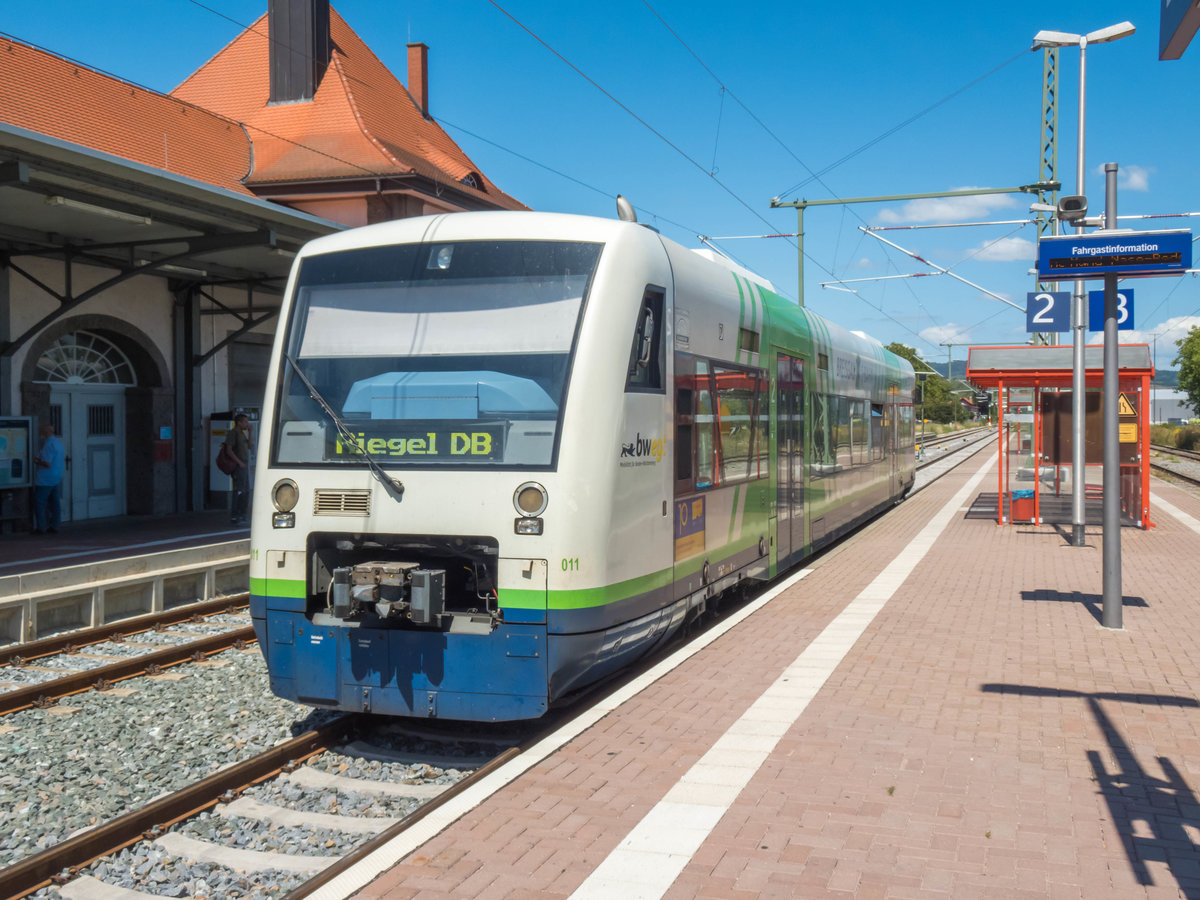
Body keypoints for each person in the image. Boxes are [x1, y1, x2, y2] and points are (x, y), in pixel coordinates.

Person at [33, 422, 65, 534]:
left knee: (39, 502)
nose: (40, 433)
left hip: (45, 479)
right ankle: (55, 525)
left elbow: (47, 463)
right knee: (55, 503)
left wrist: (37, 461)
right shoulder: (58, 443)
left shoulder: (48, 445)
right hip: (56, 477)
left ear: (46, 432)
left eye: (42, 431)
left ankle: (41, 527)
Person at [225, 414, 252, 526]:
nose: (247, 424)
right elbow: (229, 450)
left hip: (244, 464)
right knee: (239, 491)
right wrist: (239, 462)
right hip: (239, 465)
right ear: (239, 422)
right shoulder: (233, 433)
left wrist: (250, 433)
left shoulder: (242, 434)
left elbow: (250, 446)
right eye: (245, 422)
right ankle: (236, 515)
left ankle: (243, 514)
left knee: (245, 490)